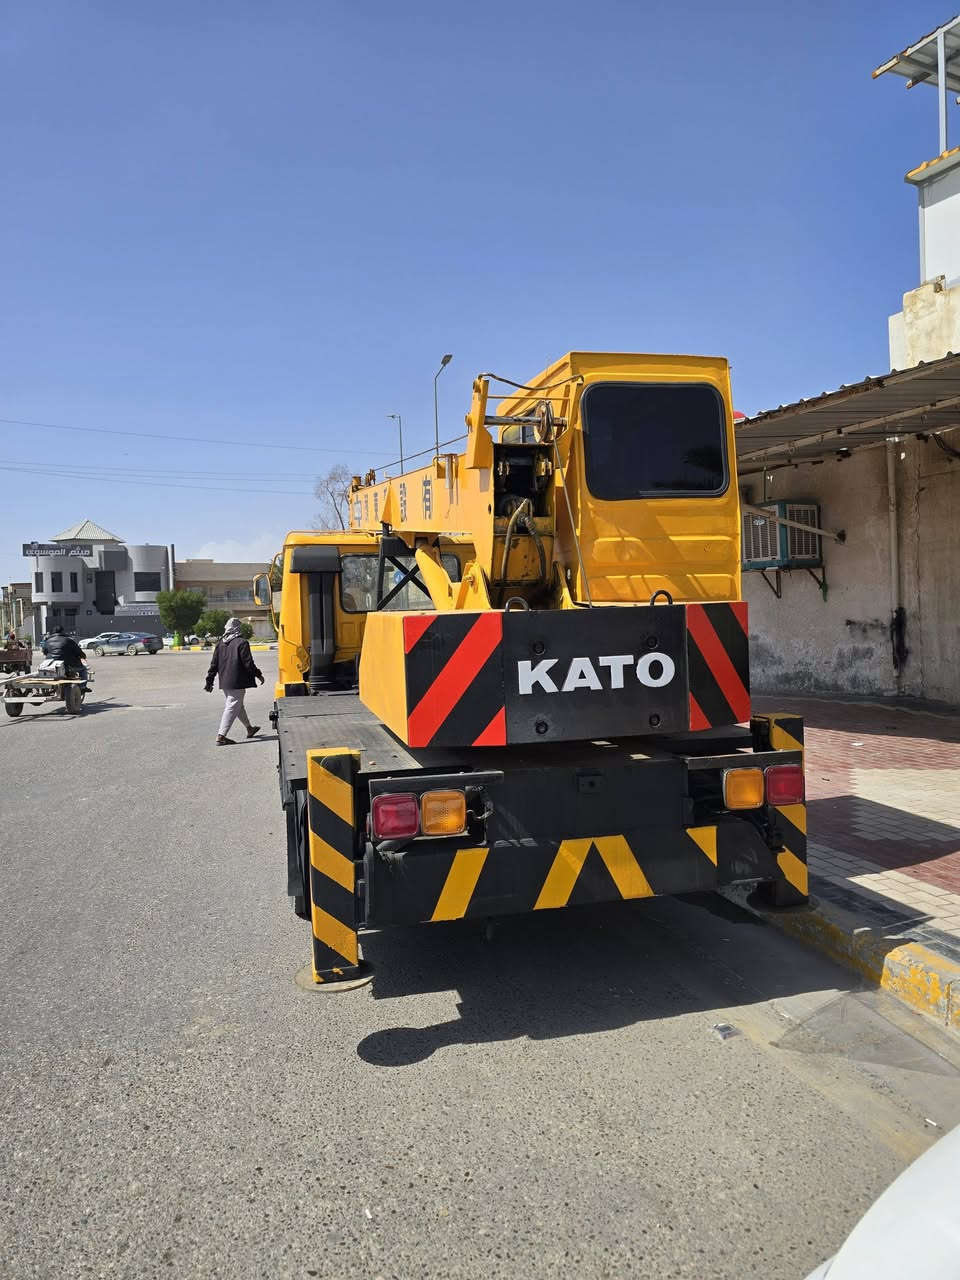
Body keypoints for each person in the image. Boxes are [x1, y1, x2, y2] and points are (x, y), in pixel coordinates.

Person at [204, 617, 264, 745]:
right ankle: (221, 736)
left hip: (225, 681)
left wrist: (209, 681)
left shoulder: (220, 644)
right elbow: (248, 663)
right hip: (237, 681)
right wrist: (258, 675)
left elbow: (214, 664)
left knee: (238, 705)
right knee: (232, 706)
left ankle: (249, 728)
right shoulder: (242, 642)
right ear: (237, 628)